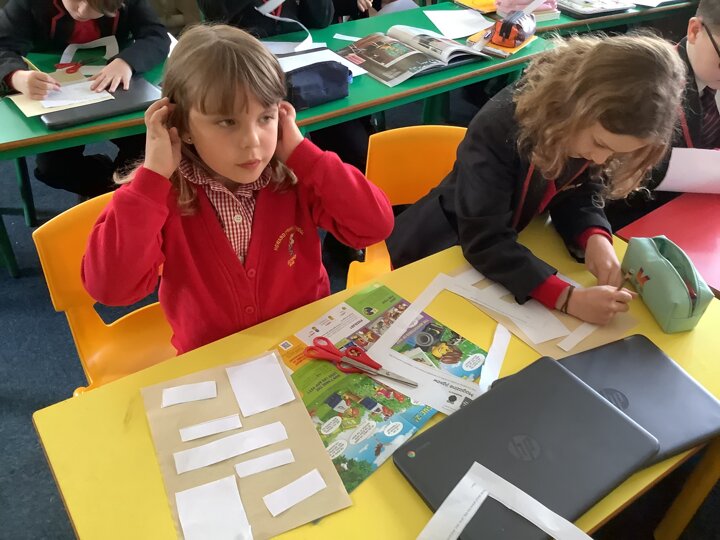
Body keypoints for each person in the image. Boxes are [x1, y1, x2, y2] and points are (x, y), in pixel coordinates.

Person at [81, 25, 393, 355]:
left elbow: (374, 226)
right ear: (182, 126)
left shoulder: (294, 174)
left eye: (265, 117)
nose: (252, 141)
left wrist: (306, 156)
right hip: (216, 359)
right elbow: (111, 288)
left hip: (304, 346)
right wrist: (151, 181)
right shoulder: (160, 192)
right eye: (227, 122)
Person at [386, 33, 686, 326]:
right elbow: (483, 238)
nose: (599, 159)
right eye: (600, 144)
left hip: (510, 246)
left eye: (614, 153)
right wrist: (567, 298)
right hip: (440, 246)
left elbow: (578, 189)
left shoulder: (585, 125)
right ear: (578, 106)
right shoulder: (500, 126)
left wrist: (594, 236)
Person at [0, 0, 169, 196]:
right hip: (56, 100)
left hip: (114, 94)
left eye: (94, 5)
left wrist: (126, 62)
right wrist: (15, 77)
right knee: (53, 169)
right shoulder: (28, 4)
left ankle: (124, 194)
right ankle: (115, 193)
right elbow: (3, 46)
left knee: (145, 149)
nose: (81, 10)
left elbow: (157, 36)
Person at [605, 0, 720, 229]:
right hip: (640, 215)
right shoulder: (643, 86)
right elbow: (613, 175)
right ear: (695, 31)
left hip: (703, 210)